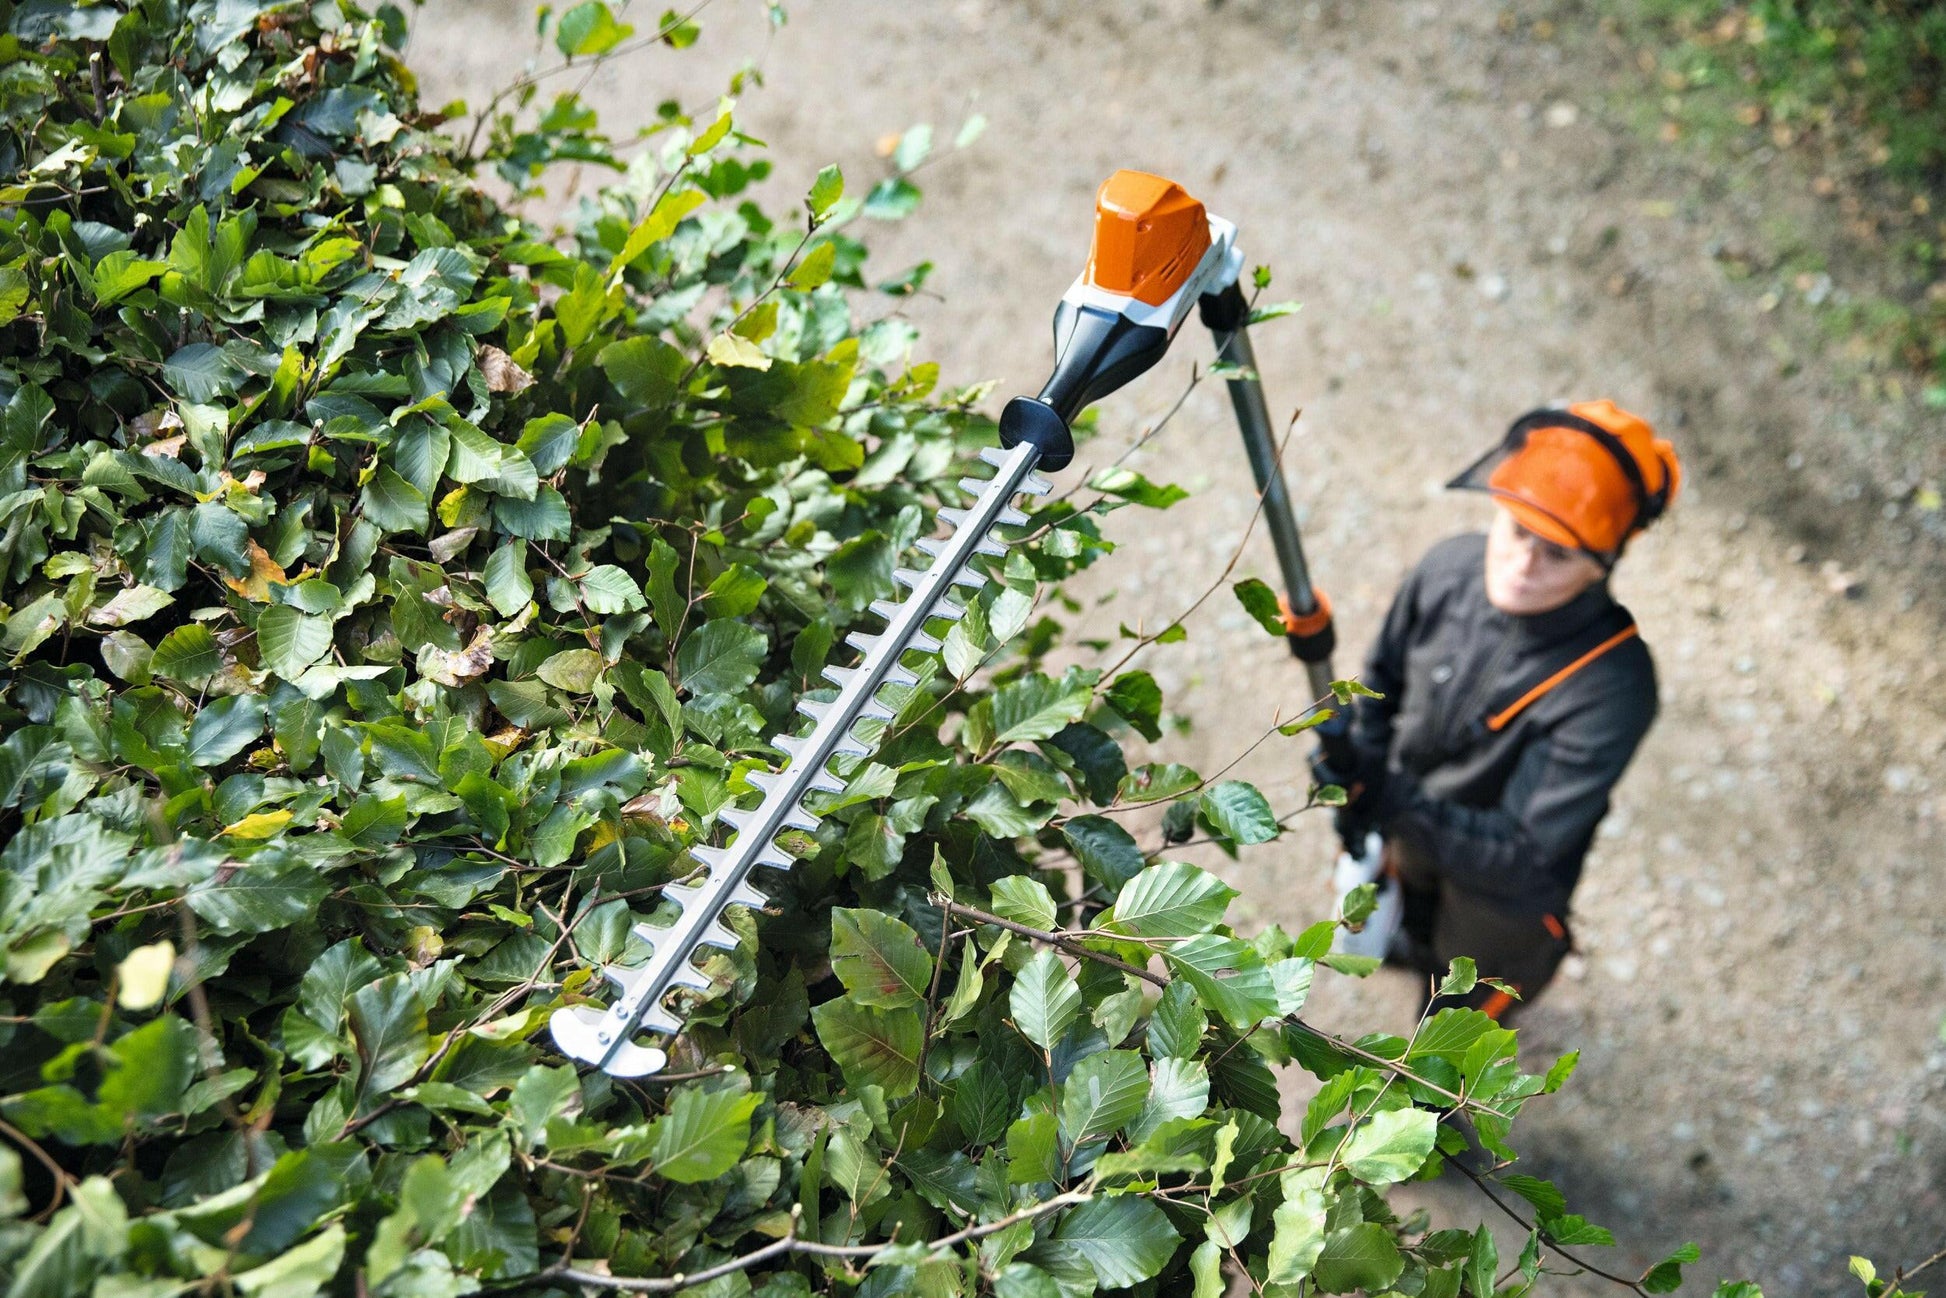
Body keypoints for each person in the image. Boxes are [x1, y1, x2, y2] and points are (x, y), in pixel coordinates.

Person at [1314, 400, 1681, 1021]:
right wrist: (1353, 765)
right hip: (1413, 825)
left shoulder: (1613, 687)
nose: (1521, 565)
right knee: (1411, 915)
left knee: (1452, 1026)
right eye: (1516, 531)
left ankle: (1440, 1083)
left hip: (1499, 896)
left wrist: (1390, 799)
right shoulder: (1448, 569)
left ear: (1601, 563)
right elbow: (1380, 683)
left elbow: (1523, 853)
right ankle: (1411, 941)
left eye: (1557, 555)